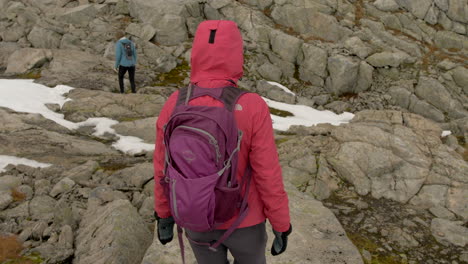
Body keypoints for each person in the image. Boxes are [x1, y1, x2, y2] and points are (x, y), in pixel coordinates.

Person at [153, 20, 291, 264]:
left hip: (195, 215)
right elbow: (267, 173)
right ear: (236, 54)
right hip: (244, 221)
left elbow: (162, 167)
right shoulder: (251, 105)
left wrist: (164, 214)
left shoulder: (175, 102)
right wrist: (281, 223)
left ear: (196, 53)